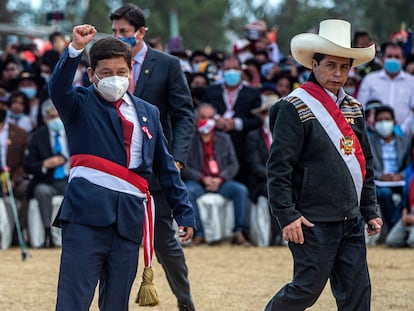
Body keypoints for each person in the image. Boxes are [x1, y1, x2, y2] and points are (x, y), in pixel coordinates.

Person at [48, 25, 195, 310]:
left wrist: (184, 211)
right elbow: (57, 87)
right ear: (91, 75)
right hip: (85, 218)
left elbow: (165, 167)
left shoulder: (148, 112)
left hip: (129, 219)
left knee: (116, 304)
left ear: (131, 73)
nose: (114, 79)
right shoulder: (78, 103)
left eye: (121, 72)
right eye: (105, 73)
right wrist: (75, 49)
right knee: (73, 302)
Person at [265, 19, 383, 310]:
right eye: (331, 65)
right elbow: (279, 167)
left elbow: (364, 164)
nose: (338, 73)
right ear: (314, 64)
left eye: (344, 67)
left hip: (351, 218)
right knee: (305, 290)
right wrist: (287, 214)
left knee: (358, 294)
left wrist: (369, 209)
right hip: (311, 220)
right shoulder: (292, 106)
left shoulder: (354, 108)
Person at [109, 4, 196, 310]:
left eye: (125, 32)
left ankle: (185, 301)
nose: (119, 37)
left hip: (156, 170)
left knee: (165, 245)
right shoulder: (107, 64)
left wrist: (177, 159)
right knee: (116, 246)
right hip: (113, 169)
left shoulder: (167, 64)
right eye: (115, 32)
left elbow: (185, 115)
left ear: (141, 32)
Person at [181, 103, 250, 246]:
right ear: (196, 119)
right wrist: (202, 178)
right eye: (203, 117)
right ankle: (198, 234)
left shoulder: (224, 139)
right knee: (187, 191)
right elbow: (184, 166)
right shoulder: (189, 139)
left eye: (211, 117)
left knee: (241, 190)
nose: (207, 120)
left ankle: (240, 232)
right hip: (199, 181)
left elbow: (233, 165)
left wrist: (220, 179)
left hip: (221, 182)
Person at [202, 55, 261, 186]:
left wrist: (236, 123)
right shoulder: (211, 91)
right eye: (228, 69)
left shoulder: (253, 93)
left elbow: (257, 120)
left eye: (235, 68)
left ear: (241, 70)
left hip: (243, 147)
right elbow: (202, 111)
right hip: (216, 147)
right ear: (222, 70)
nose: (231, 72)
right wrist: (216, 120)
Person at [24, 99, 70, 248]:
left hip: (69, 179)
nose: (55, 120)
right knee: (41, 191)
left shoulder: (73, 132)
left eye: (58, 116)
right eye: (51, 117)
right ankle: (47, 232)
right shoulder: (38, 137)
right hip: (47, 181)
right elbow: (29, 165)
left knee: (77, 190)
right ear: (45, 119)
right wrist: (44, 164)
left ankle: (71, 233)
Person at [358, 42, 414, 137]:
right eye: (389, 56)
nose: (393, 59)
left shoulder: (411, 81)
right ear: (383, 59)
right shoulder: (370, 80)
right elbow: (360, 108)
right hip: (374, 137)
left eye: (397, 57)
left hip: (404, 137)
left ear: (403, 60)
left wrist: (403, 130)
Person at [368, 106, 411, 231]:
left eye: (387, 120)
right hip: (379, 182)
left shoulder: (405, 142)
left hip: (401, 181)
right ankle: (394, 227)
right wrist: (380, 175)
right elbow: (366, 166)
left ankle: (396, 227)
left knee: (407, 194)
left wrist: (401, 175)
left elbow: (409, 165)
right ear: (375, 124)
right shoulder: (369, 142)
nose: (384, 123)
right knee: (384, 193)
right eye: (380, 120)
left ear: (394, 122)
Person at [385, 162, 414, 248]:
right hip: (409, 215)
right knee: (391, 241)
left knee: (412, 241)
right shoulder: (410, 169)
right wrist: (404, 213)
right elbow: (405, 197)